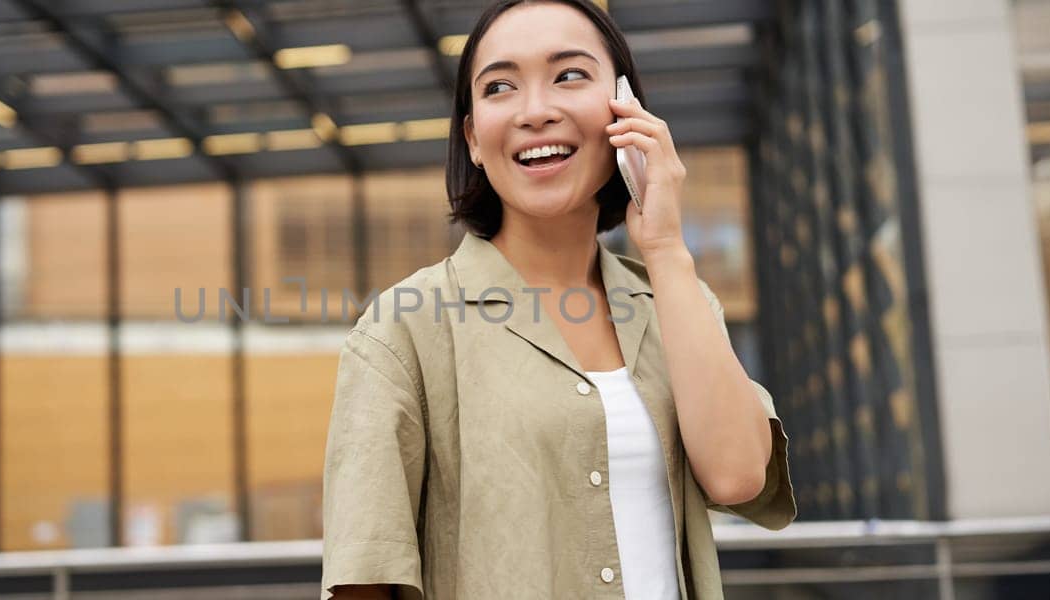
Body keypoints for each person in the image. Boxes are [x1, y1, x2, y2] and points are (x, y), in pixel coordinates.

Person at [320, 0, 796, 597]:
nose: (535, 111)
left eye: (569, 75)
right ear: (472, 137)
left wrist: (667, 249)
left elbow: (736, 476)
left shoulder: (673, 300)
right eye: (500, 87)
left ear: (624, 107)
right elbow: (365, 580)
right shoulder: (403, 329)